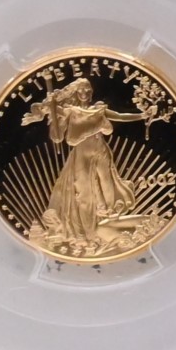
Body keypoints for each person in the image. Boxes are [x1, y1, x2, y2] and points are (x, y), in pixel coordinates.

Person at [21, 78, 151, 252]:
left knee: (107, 183)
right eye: (80, 90)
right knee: (83, 192)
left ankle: (106, 217)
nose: (84, 93)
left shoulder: (99, 110)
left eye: (87, 89)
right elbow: (51, 121)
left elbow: (120, 116)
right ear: (75, 93)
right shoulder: (70, 111)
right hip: (81, 153)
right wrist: (48, 107)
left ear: (91, 91)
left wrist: (142, 116)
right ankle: (86, 232)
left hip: (100, 150)